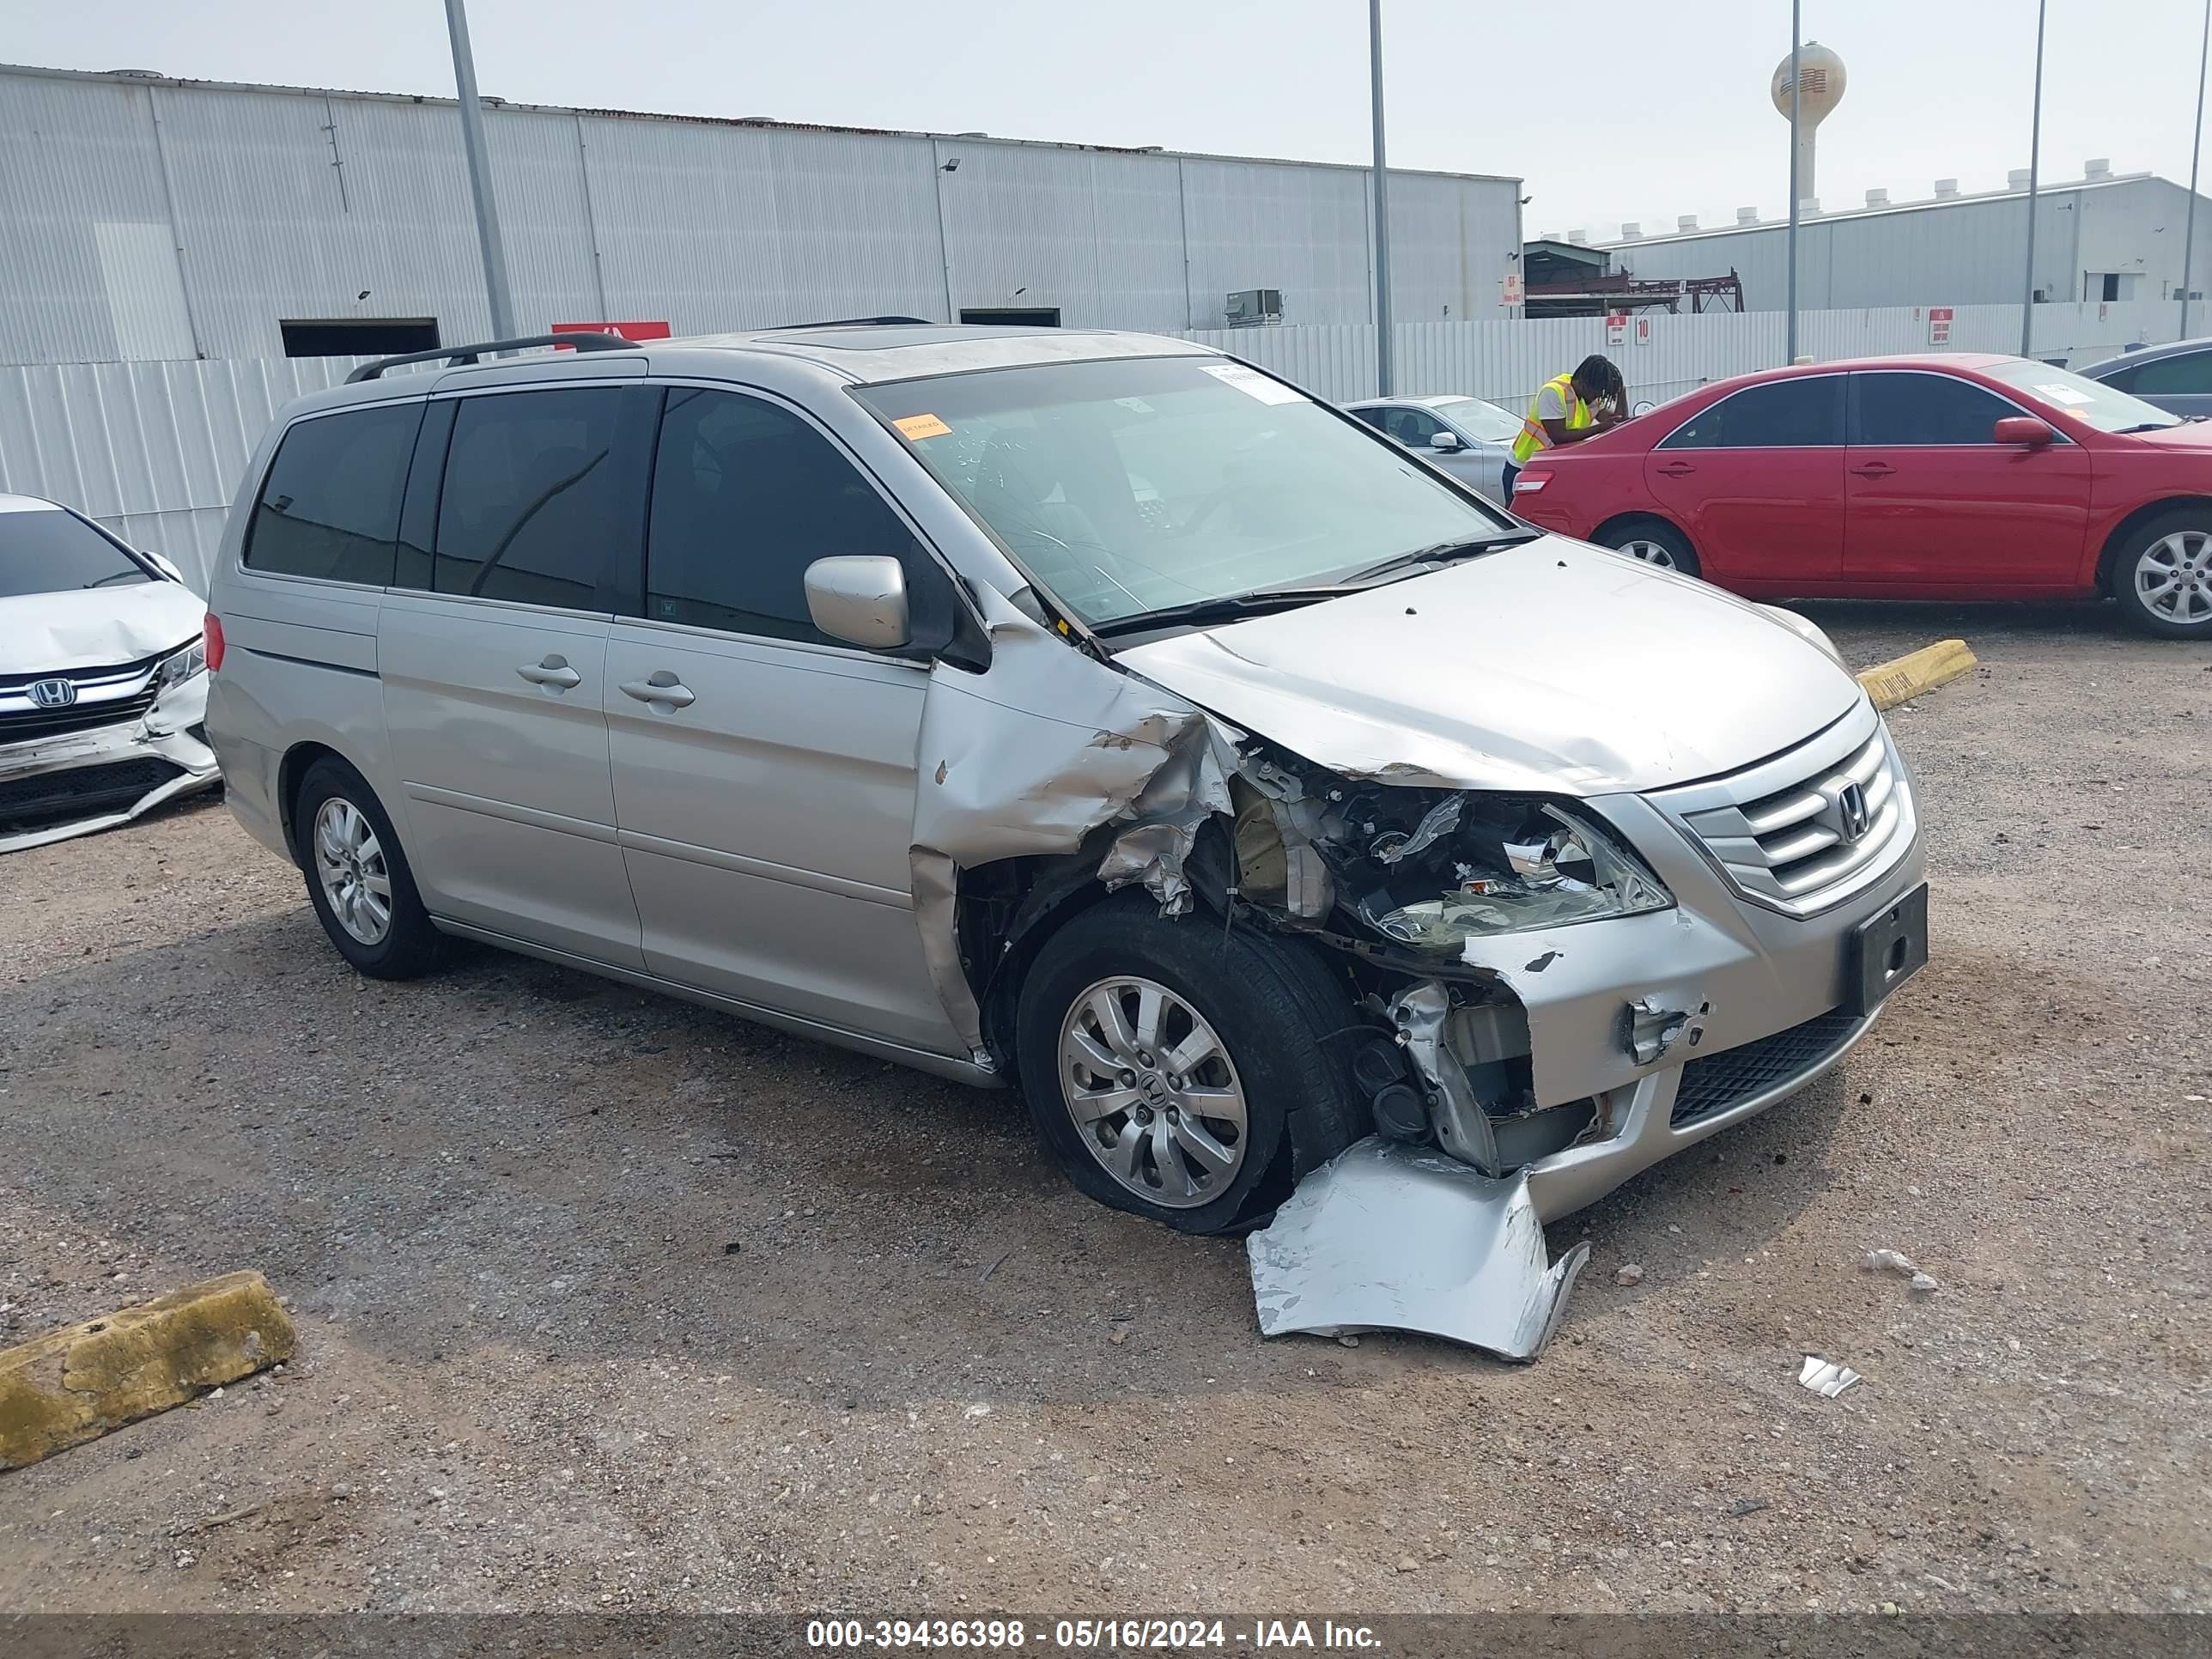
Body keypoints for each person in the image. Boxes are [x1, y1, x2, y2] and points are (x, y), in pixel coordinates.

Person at [1503, 354, 1627, 498]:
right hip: (1525, 467)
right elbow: (1558, 436)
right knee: (1518, 519)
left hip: (1552, 467)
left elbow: (1619, 424)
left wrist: (1621, 392)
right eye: (1597, 392)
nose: (1598, 396)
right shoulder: (1553, 392)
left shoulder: (1590, 397)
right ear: (1585, 383)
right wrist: (1600, 428)